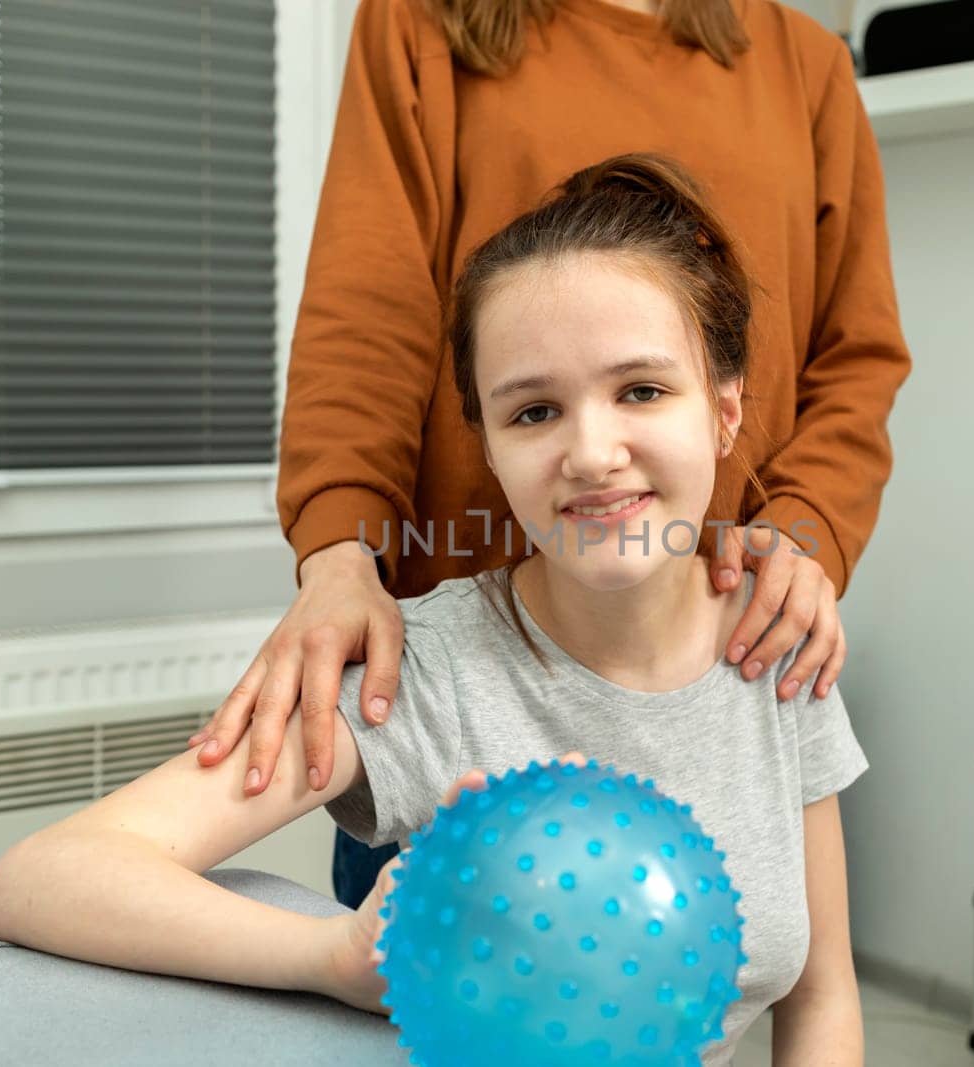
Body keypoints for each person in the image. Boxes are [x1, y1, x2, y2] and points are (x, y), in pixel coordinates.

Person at [0, 155, 869, 1064]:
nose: (593, 452)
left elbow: (822, 995)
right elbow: (43, 877)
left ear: (725, 413)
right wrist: (328, 957)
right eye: (534, 412)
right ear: (486, 443)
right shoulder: (427, 672)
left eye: (641, 390)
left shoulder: (780, 643)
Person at [191, 0, 910, 910]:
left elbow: (858, 354)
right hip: (477, 696)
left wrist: (804, 536)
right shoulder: (422, 26)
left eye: (641, 391)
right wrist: (339, 552)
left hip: (714, 672)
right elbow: (367, 311)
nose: (595, 448)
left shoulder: (803, 64)